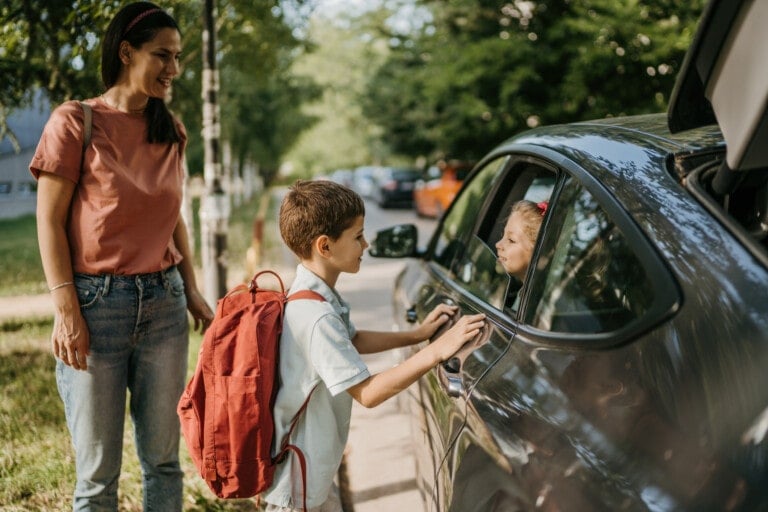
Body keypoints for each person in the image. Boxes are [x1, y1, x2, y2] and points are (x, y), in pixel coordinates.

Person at [29, 3, 213, 510]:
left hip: (165, 305)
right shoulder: (76, 121)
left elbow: (174, 216)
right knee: (97, 477)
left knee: (164, 463)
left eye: (178, 58)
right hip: (96, 305)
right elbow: (49, 220)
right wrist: (67, 311)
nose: (173, 69)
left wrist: (192, 287)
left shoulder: (171, 130)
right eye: (162, 55)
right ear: (126, 52)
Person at [263, 180, 486, 511]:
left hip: (312, 472)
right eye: (357, 237)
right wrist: (436, 351)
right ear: (324, 246)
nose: (366, 244)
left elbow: (352, 339)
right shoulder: (315, 317)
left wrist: (420, 333)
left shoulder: (315, 295)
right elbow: (368, 392)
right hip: (298, 487)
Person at [495, 200, 547, 310]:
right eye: (502, 235)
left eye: (511, 240)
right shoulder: (523, 293)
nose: (498, 244)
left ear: (538, 253)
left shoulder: (539, 307)